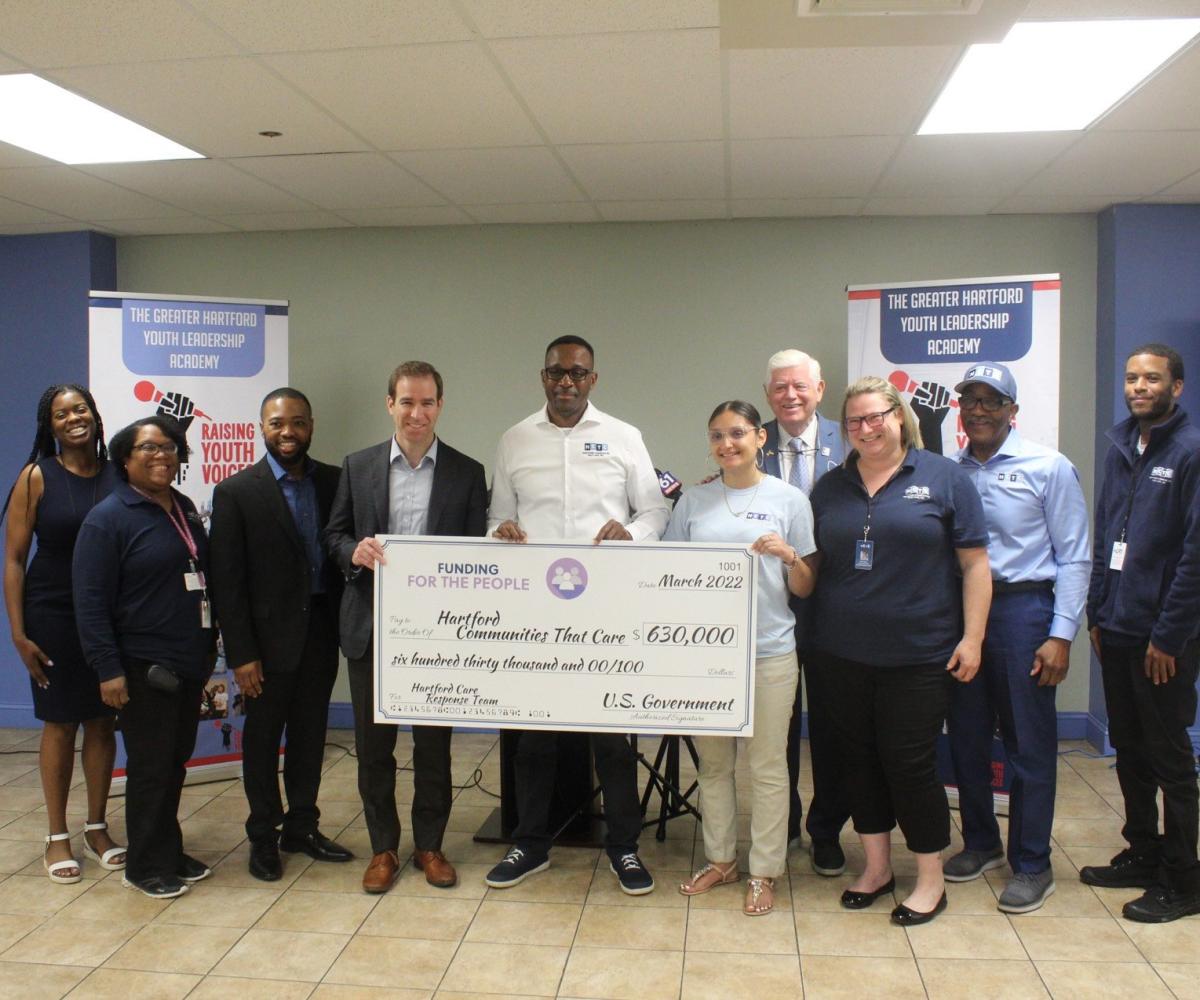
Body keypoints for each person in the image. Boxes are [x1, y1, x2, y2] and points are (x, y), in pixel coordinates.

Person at [486, 335, 669, 895]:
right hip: (536, 613)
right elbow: (497, 519)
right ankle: (530, 844)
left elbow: (655, 510)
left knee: (612, 739)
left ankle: (624, 848)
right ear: (542, 376)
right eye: (556, 372)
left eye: (577, 373)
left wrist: (630, 532)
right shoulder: (515, 439)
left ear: (593, 379)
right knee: (534, 739)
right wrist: (503, 533)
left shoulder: (623, 436)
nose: (566, 382)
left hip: (606, 609)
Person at [809, 375, 990, 926]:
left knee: (909, 765)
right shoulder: (829, 487)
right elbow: (816, 567)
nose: (866, 429)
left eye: (876, 416)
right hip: (841, 653)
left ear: (899, 416)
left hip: (919, 654)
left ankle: (930, 878)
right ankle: (877, 868)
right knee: (859, 762)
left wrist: (973, 638)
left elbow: (975, 566)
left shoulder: (943, 477)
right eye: (854, 421)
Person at [325, 361, 487, 894]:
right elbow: (334, 536)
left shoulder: (468, 473)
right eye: (407, 402)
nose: (417, 413)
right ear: (389, 404)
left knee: (434, 746)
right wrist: (355, 551)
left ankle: (430, 845)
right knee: (374, 747)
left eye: (427, 402)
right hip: (373, 628)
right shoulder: (359, 465)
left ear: (441, 405)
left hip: (438, 634)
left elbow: (474, 557)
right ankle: (383, 848)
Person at [945, 362, 1090, 913]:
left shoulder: (1048, 467)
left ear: (1012, 411)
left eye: (990, 400)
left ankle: (1032, 863)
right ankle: (980, 842)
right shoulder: (948, 470)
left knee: (1028, 744)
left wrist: (1061, 633)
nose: (978, 409)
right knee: (967, 737)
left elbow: (1075, 555)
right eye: (970, 400)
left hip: (1026, 612)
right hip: (962, 613)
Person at [667, 401, 816, 915]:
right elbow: (667, 574)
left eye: (736, 434)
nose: (726, 444)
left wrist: (788, 556)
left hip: (770, 651)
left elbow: (806, 584)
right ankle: (721, 860)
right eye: (716, 436)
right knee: (713, 765)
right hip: (707, 656)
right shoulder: (693, 500)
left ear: (760, 438)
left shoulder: (790, 499)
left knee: (770, 768)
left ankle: (765, 870)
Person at [209, 387, 350, 882]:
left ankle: (302, 827)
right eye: (276, 423)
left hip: (321, 631)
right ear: (261, 428)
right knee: (264, 740)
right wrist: (242, 654)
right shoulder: (235, 492)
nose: (287, 432)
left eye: (297, 423)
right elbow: (227, 582)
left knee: (311, 736)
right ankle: (263, 835)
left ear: (311, 425)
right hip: (263, 645)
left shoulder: (335, 481)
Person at [73, 416, 217, 898]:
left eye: (170, 447)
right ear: (125, 458)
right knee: (151, 766)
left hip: (187, 660)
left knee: (175, 762)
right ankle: (144, 865)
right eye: (149, 448)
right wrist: (108, 670)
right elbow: (90, 601)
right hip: (140, 665)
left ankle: (168, 850)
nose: (162, 456)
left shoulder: (182, 506)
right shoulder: (108, 518)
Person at [1082, 343, 1200, 923]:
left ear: (1176, 387)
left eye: (1152, 378)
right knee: (1131, 750)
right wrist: (1096, 614)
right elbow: (1106, 537)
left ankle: (1183, 878)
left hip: (1165, 639)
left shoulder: (1192, 451)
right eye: (1131, 377)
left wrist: (1169, 636)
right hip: (1119, 628)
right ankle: (1143, 851)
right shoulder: (1121, 447)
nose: (1139, 387)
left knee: (1171, 758)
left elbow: (1195, 557)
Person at [2, 384, 123, 884]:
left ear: (94, 415)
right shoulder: (36, 477)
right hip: (51, 614)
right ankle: (56, 836)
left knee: (100, 720)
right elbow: (13, 559)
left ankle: (97, 827)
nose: (73, 418)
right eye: (60, 413)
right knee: (60, 723)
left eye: (80, 409)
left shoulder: (120, 474)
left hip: (109, 615)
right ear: (48, 425)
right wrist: (17, 632)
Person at [760, 349, 850, 877]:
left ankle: (826, 830)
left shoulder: (854, 437)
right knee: (779, 727)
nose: (789, 396)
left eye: (799, 386)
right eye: (778, 388)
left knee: (834, 726)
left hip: (838, 605)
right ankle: (784, 822)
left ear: (819, 389)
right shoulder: (754, 439)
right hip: (773, 605)